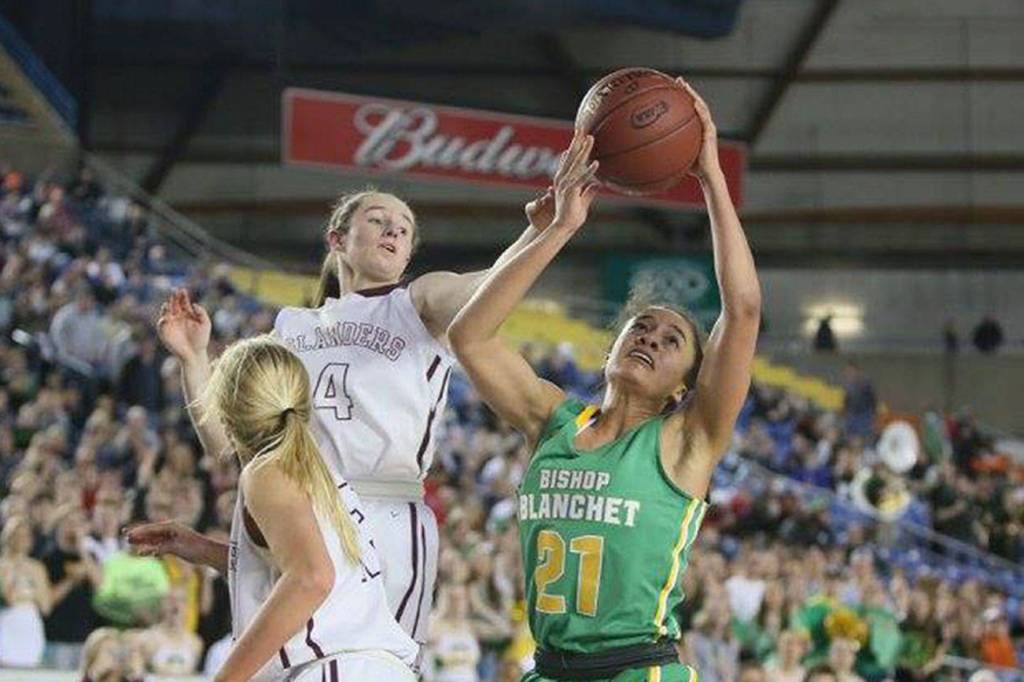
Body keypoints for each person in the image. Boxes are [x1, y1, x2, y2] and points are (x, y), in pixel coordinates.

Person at [449, 80, 761, 681]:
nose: (649, 338)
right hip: (547, 669)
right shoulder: (552, 420)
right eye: (640, 328)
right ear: (612, 344)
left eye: (671, 342)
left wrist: (710, 178)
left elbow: (743, 310)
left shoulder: (686, 439)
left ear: (682, 389)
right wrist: (558, 228)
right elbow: (471, 338)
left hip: (636, 670)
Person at [157, 183, 550, 643]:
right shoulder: (289, 327)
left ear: (406, 257)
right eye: (378, 220)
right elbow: (224, 443)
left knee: (374, 666)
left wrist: (538, 235)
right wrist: (194, 360)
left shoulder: (417, 302)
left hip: (384, 511)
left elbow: (485, 292)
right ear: (337, 239)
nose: (393, 231)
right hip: (298, 509)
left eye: (404, 229)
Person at [127, 335, 417, 681]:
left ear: (227, 409)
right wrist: (204, 550)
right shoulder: (308, 467)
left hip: (336, 667)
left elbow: (312, 578)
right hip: (367, 667)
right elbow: (296, 570)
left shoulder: (268, 473)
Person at [0, 514, 53, 668]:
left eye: (25, 535)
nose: (21, 539)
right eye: (16, 534)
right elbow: (8, 599)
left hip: (31, 624)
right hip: (7, 622)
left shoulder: (37, 568)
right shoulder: (2, 566)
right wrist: (16, 572)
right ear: (7, 536)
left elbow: (46, 606)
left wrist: (31, 586)